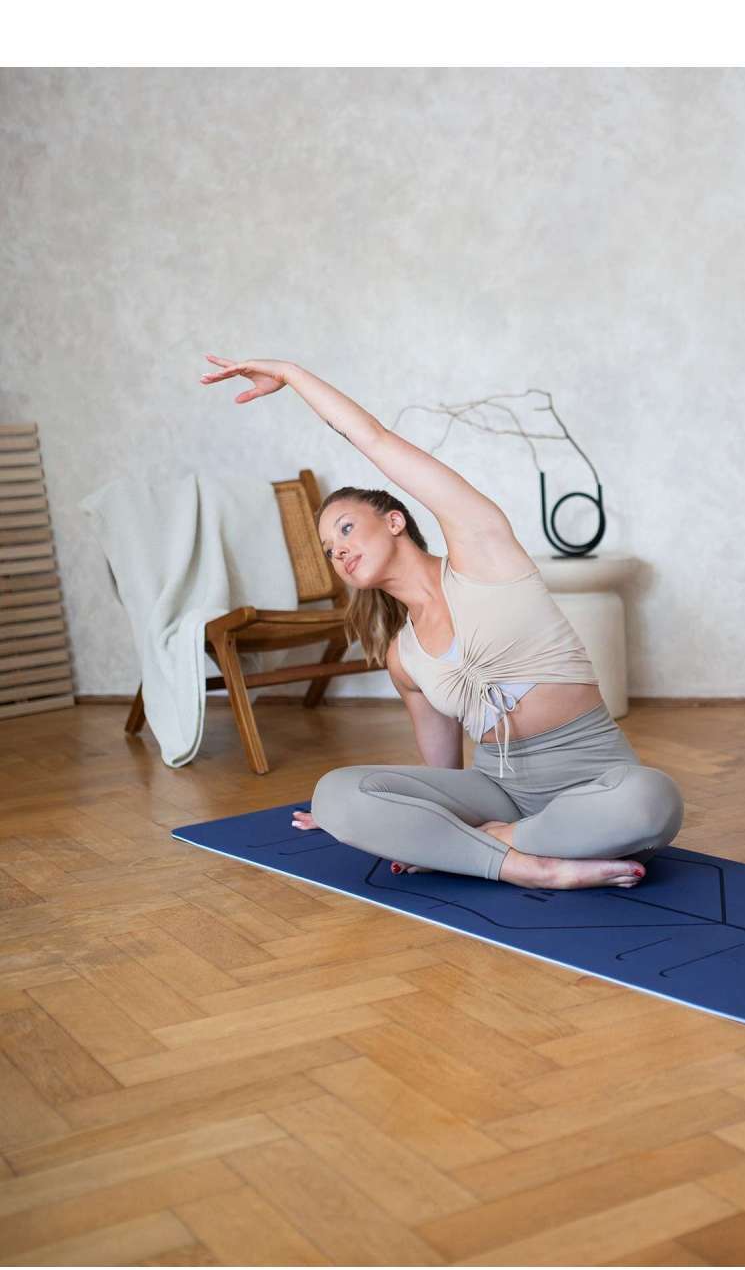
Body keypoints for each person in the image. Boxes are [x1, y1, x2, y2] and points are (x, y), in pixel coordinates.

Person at [200, 354, 684, 891]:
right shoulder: (402, 657)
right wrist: (379, 815)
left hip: (594, 777)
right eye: (329, 548)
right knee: (336, 795)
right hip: (498, 789)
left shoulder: (483, 551)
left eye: (346, 529)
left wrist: (291, 375)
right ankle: (531, 864)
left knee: (652, 802)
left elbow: (375, 438)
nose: (339, 551)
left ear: (394, 520)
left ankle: (498, 843)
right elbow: (445, 778)